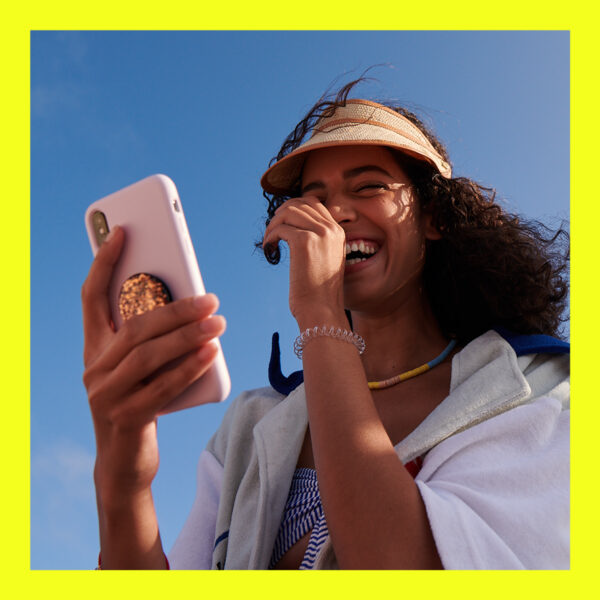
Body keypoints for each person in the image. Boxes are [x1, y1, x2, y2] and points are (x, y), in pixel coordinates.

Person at [81, 79, 569, 570]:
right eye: (314, 198)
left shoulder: (536, 390)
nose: (334, 212)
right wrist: (124, 479)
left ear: (433, 217)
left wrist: (319, 312)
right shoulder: (250, 426)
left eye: (369, 186)